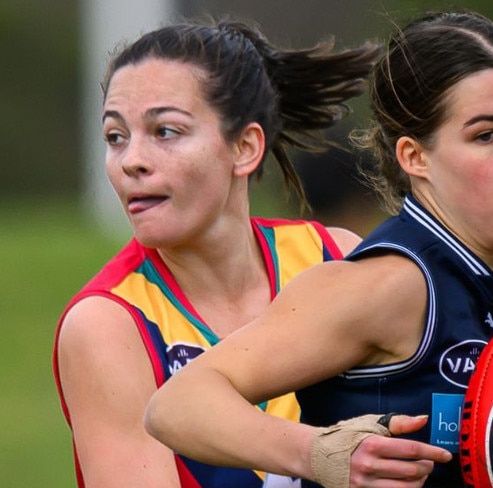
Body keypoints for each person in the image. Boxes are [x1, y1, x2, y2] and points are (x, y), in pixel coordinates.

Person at [143, 10, 493, 488]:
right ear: (415, 156)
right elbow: (179, 404)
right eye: (488, 134)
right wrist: (318, 451)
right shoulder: (387, 285)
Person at [52, 17, 382, 488]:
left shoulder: (338, 258)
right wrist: (316, 457)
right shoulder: (109, 325)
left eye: (165, 131)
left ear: (245, 148)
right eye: (115, 137)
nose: (130, 161)